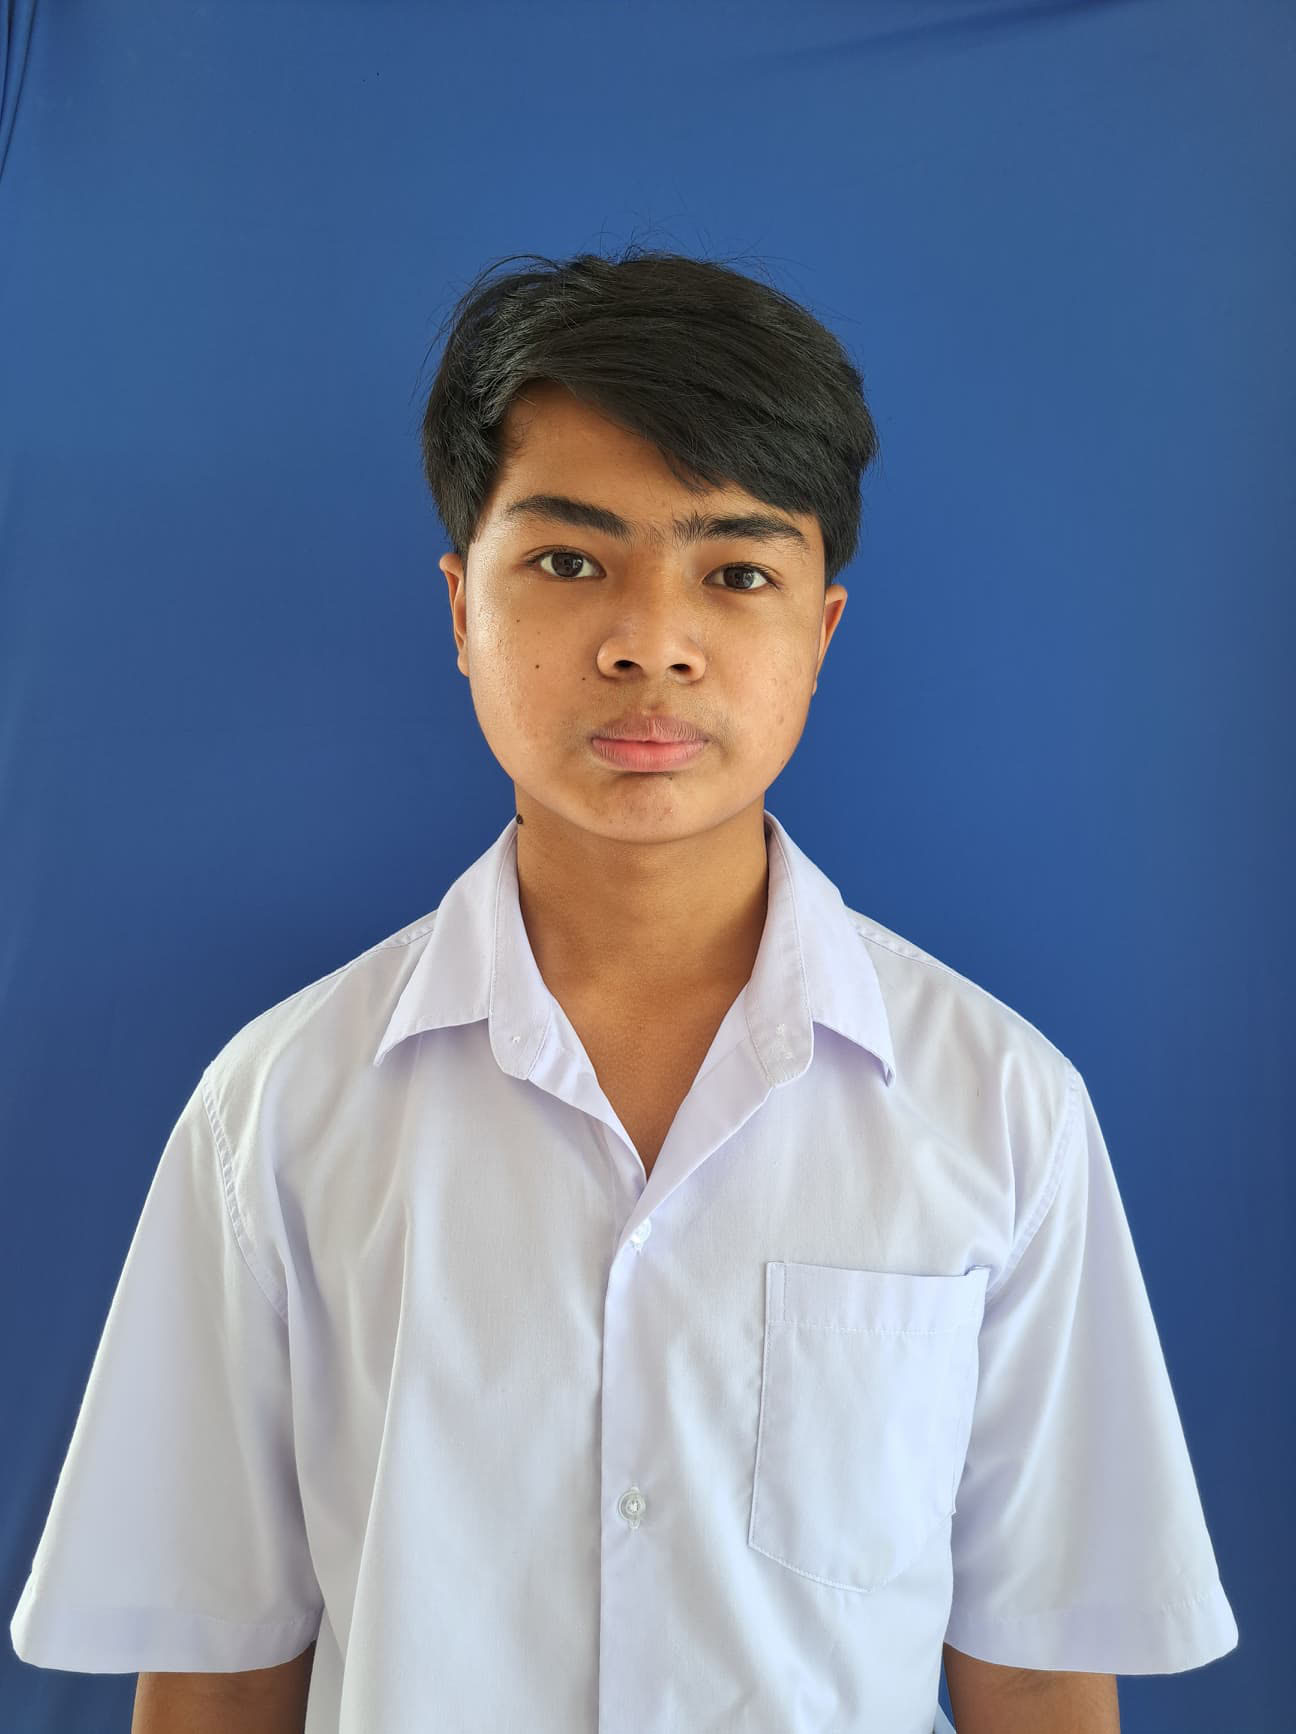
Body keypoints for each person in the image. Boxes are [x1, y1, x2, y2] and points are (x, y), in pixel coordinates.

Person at [11, 248, 1237, 1733]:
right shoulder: (276, 1113)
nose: (650, 640)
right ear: (462, 607)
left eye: (737, 573)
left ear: (821, 631)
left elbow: (1037, 1672)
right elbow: (216, 1677)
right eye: (570, 561)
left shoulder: (1001, 1108)